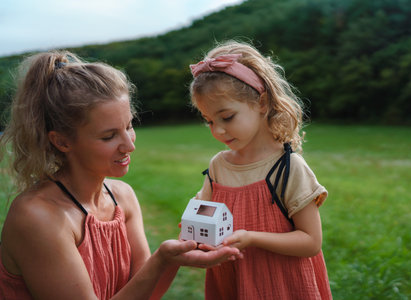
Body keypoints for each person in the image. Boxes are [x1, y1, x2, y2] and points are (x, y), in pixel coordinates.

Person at [0, 51, 241, 300]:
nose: (129, 145)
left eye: (129, 126)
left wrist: (171, 260)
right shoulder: (38, 217)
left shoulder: (122, 197)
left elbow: (146, 294)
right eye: (109, 136)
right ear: (62, 141)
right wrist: (160, 261)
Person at [188, 40, 332, 299]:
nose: (218, 130)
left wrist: (253, 238)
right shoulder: (218, 166)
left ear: (262, 103)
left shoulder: (287, 168)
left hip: (282, 286)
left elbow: (311, 242)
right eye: (209, 121)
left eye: (227, 117)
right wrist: (193, 234)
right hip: (231, 282)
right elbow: (201, 214)